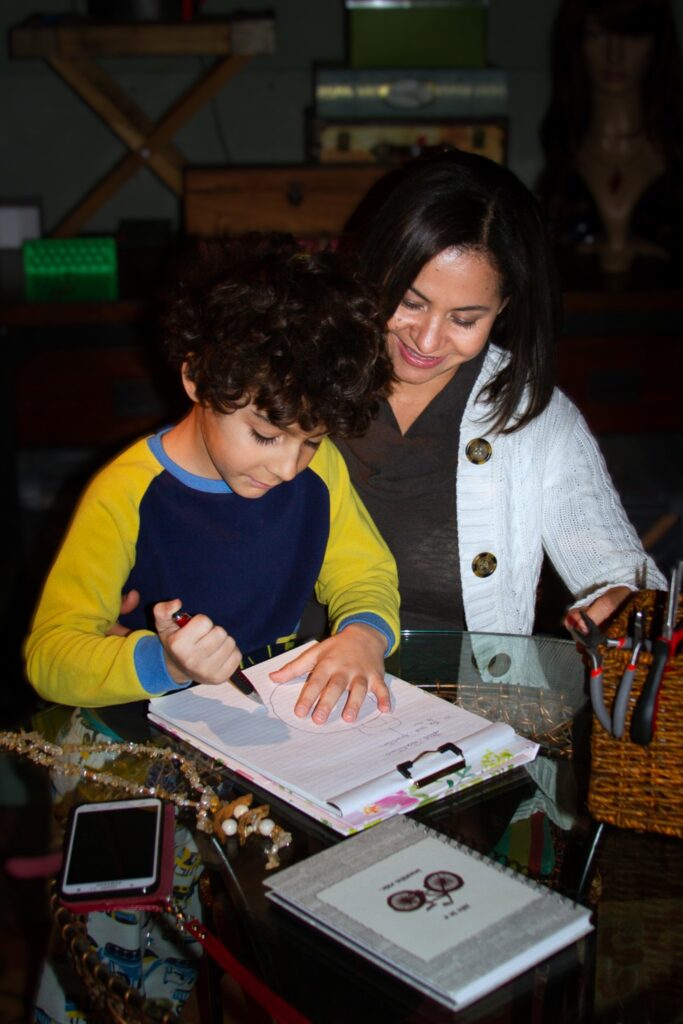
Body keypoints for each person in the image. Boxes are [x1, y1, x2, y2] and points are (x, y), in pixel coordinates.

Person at [24, 233, 399, 726]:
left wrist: (364, 635)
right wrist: (168, 662)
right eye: (265, 436)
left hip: (271, 727)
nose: (289, 468)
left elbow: (364, 572)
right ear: (198, 379)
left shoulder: (321, 466)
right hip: (145, 741)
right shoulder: (125, 494)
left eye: (311, 440)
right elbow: (49, 658)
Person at [324, 147, 665, 643]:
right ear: (376, 271)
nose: (427, 339)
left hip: (461, 706)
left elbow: (624, 578)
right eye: (410, 302)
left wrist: (626, 607)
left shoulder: (534, 420)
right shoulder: (301, 367)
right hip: (281, 685)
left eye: (465, 319)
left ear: (503, 307)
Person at [537, 0, 683, 287]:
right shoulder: (562, 164)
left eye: (632, 35)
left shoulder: (674, 160)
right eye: (597, 35)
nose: (614, 54)